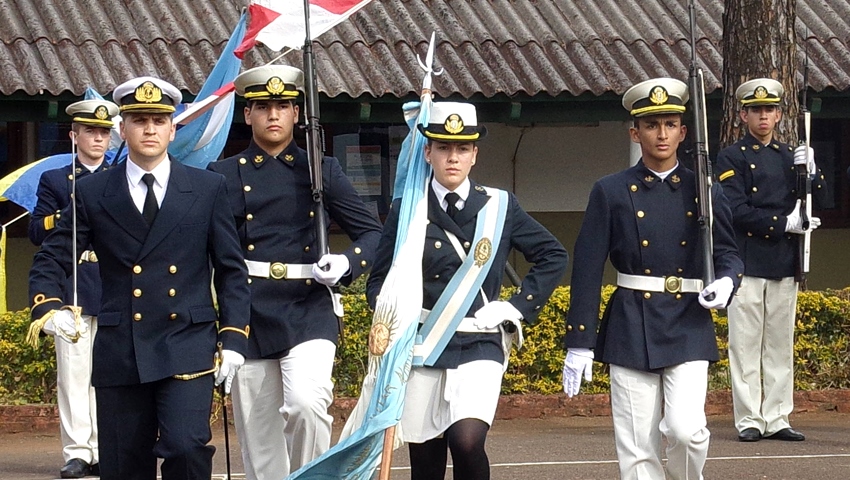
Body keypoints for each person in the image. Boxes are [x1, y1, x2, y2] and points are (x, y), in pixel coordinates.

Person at [28, 76, 250, 480]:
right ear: (122, 128)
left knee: (185, 447)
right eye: (139, 120)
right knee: (124, 464)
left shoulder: (207, 187)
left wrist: (233, 338)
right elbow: (53, 255)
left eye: (158, 120)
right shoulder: (93, 192)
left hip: (186, 340)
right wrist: (49, 305)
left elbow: (231, 270)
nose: (149, 129)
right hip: (121, 348)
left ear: (172, 127)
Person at [367, 101, 569, 480]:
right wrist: (387, 321)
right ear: (427, 152)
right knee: (426, 458)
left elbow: (552, 255)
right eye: (443, 147)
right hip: (422, 343)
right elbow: (380, 279)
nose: (453, 157)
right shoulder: (408, 208)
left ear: (475, 154)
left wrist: (516, 307)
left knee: (467, 441)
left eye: (462, 149)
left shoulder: (500, 206)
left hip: (478, 342)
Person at [562, 78, 744, 480]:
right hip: (631, 321)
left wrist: (728, 281)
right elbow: (588, 267)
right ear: (635, 132)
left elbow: (728, 252)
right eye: (651, 125)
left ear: (683, 131)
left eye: (669, 124)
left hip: (688, 319)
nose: (661, 134)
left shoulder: (705, 189)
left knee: (687, 431)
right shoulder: (611, 191)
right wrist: (580, 340)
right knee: (638, 448)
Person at [207, 65, 382, 479]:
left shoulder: (320, 169)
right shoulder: (223, 175)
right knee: (259, 435)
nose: (273, 114)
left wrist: (346, 262)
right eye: (262, 106)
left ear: (297, 113)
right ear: (247, 114)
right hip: (249, 310)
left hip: (308, 307)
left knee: (307, 404)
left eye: (282, 105)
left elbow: (373, 233)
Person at [716, 78, 830, 442]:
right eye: (756, 111)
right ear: (744, 115)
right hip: (747, 260)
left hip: (783, 261)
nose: (763, 117)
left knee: (779, 345)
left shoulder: (789, 156)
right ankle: (749, 418)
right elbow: (734, 209)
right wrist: (784, 223)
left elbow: (819, 198)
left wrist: (812, 171)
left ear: (779, 114)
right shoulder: (732, 156)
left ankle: (777, 416)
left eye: (769, 110)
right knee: (746, 344)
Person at [27, 98, 118, 478]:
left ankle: (106, 447)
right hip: (74, 285)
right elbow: (35, 231)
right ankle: (79, 450)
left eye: (104, 132)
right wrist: (71, 212)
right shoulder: (56, 180)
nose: (98, 138)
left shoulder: (121, 175)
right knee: (74, 374)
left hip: (112, 285)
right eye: (90, 132)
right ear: (74, 135)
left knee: (109, 374)